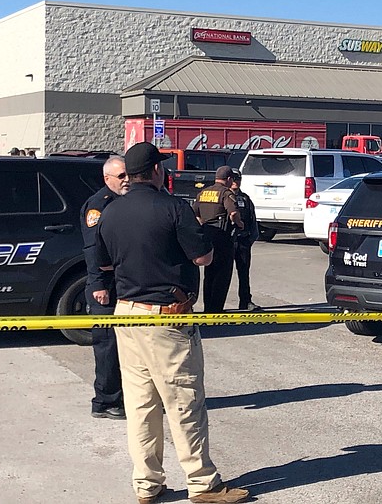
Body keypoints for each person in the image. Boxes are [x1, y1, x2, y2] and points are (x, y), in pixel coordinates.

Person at [95, 142, 249, 504]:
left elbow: (103, 265)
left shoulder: (110, 212)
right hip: (166, 318)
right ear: (155, 172)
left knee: (140, 406)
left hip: (126, 314)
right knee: (183, 401)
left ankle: (147, 484)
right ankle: (203, 483)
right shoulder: (172, 208)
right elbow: (204, 256)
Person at [80, 155, 129, 420]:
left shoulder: (123, 202)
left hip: (122, 282)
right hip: (104, 286)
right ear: (107, 178)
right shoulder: (99, 205)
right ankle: (105, 401)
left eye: (128, 174)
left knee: (124, 343)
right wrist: (98, 283)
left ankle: (120, 395)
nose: (126, 180)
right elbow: (92, 248)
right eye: (121, 176)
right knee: (107, 344)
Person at [192, 165, 243, 313]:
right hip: (223, 237)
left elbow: (195, 213)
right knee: (222, 274)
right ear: (228, 179)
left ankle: (208, 307)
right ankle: (216, 309)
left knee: (209, 274)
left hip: (207, 236)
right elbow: (233, 213)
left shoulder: (203, 192)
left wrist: (203, 224)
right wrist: (240, 223)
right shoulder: (226, 193)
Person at [229, 169, 260, 311]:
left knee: (244, 273)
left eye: (238, 179)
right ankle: (216, 305)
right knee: (222, 274)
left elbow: (252, 220)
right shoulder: (223, 196)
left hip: (242, 241)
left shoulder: (245, 199)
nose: (236, 181)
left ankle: (246, 301)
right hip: (226, 242)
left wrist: (250, 239)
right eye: (234, 178)